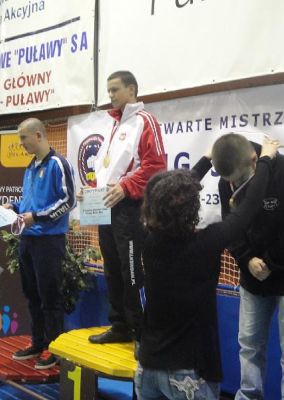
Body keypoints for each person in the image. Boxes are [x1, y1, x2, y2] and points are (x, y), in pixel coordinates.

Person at [135, 137, 282, 400]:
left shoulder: (150, 240)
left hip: (147, 367)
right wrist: (266, 161)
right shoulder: (204, 244)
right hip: (187, 373)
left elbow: (169, 196)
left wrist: (205, 160)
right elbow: (249, 207)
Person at [208, 133, 284, 400]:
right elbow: (230, 226)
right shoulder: (228, 179)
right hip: (253, 278)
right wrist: (246, 259)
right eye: (229, 181)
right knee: (249, 347)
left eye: (239, 179)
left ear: (254, 160)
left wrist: (270, 262)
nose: (234, 185)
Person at [82, 70, 166, 344]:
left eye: (115, 89)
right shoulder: (114, 125)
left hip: (130, 208)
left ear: (132, 90)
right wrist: (92, 191)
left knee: (132, 271)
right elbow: (107, 170)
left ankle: (143, 333)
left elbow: (156, 167)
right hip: (107, 206)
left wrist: (125, 187)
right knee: (112, 268)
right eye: (108, 90)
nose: (110, 95)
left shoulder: (144, 121)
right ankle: (120, 326)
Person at [3, 118, 76, 369]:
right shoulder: (30, 166)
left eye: (23, 138)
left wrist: (37, 217)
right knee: (32, 294)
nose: (21, 143)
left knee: (50, 297)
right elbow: (29, 202)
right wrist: (14, 207)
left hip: (49, 241)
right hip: (28, 239)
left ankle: (55, 349)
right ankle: (38, 343)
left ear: (38, 135)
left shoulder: (58, 163)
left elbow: (68, 201)